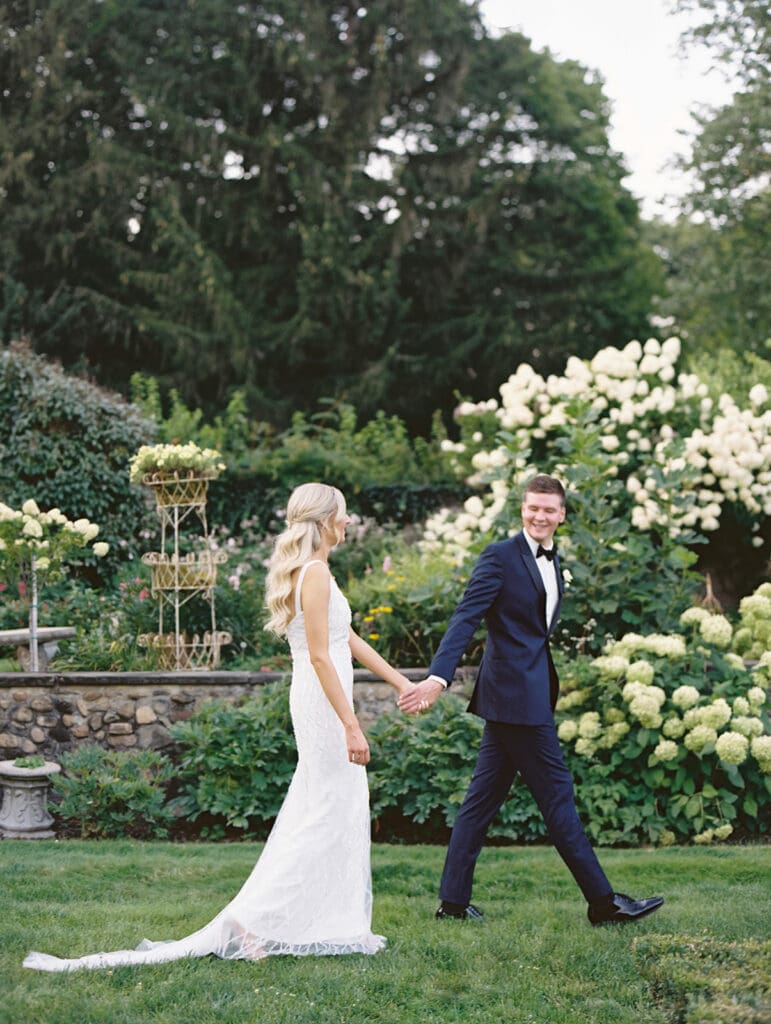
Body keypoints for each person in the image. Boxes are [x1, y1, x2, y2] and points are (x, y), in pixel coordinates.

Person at [24, 482, 414, 972]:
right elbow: (320, 656)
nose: (350, 520)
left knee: (325, 809)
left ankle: (296, 921)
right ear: (324, 520)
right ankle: (247, 923)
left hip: (322, 699)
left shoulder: (318, 570)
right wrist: (351, 725)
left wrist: (402, 682)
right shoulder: (314, 573)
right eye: (344, 513)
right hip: (323, 703)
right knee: (323, 812)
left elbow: (347, 638)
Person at [398, 474, 664, 926]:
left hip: (522, 696)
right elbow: (465, 618)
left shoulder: (553, 559)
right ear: (522, 509)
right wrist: (438, 679)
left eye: (548, 509)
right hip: (516, 700)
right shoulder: (500, 557)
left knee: (480, 803)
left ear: (562, 515)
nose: (539, 516)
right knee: (558, 799)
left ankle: (453, 904)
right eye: (532, 508)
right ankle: (603, 903)